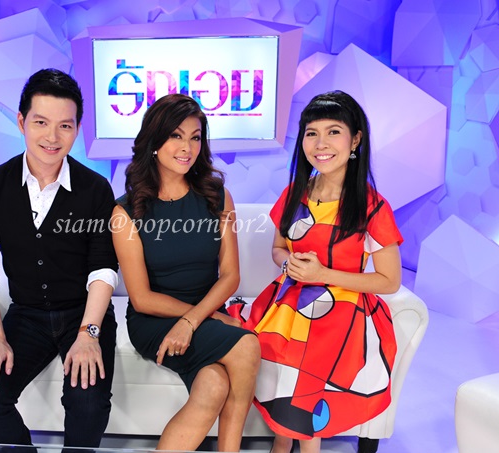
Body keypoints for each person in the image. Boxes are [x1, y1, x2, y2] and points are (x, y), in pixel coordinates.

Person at [228, 91, 402, 453]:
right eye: (312, 133)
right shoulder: (295, 192)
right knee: (271, 362)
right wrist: (287, 264)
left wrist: (322, 274)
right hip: (287, 303)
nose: (321, 144)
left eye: (333, 132)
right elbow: (279, 248)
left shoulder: (372, 206)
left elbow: (389, 281)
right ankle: (281, 443)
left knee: (307, 375)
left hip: (342, 312)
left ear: (355, 140)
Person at [0, 68, 118, 448]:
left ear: (77, 129)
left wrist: (89, 333)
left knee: (88, 403)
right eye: (41, 123)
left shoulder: (96, 189)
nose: (52, 137)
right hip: (27, 315)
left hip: (83, 314)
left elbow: (103, 267)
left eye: (65, 126)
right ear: (21, 122)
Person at [111, 94, 261, 452]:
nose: (187, 147)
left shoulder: (217, 196)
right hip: (154, 320)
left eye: (195, 137)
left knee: (214, 385)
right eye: (176, 136)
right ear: (154, 141)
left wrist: (196, 319)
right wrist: (198, 319)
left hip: (202, 315)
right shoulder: (126, 212)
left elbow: (230, 275)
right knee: (246, 346)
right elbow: (141, 298)